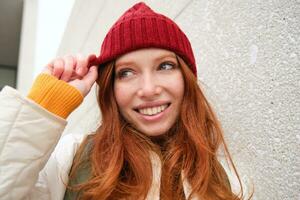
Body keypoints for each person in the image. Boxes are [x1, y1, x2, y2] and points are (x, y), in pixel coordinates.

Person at [0, 2, 251, 200]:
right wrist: (42, 108)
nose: (149, 89)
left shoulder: (219, 175)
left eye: (165, 66)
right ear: (111, 88)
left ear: (187, 80)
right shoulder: (71, 159)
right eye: (127, 73)